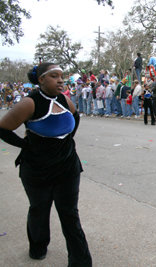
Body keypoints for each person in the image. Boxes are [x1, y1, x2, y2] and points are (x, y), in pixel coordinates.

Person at [0, 63, 92, 265]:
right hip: (37, 170)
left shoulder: (65, 99)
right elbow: (3, 128)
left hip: (68, 167)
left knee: (70, 215)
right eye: (54, 76)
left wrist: (67, 139)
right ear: (41, 79)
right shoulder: (29, 103)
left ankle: (81, 262)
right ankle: (38, 248)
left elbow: (75, 118)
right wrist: (26, 145)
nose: (60, 80)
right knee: (39, 210)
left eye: (62, 76)